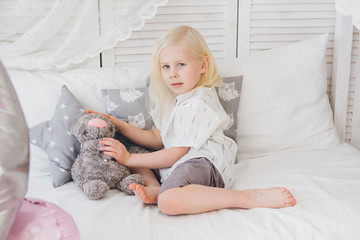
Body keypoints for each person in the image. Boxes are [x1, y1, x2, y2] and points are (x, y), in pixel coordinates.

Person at [91, 25, 296, 215]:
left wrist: (128, 159)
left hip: (204, 162)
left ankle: (247, 197)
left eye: (181, 64)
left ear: (203, 65)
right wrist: (121, 126)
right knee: (138, 155)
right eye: (166, 67)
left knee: (168, 202)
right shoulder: (172, 99)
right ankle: (156, 188)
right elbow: (156, 139)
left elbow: (175, 154)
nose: (173, 74)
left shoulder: (199, 100)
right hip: (179, 165)